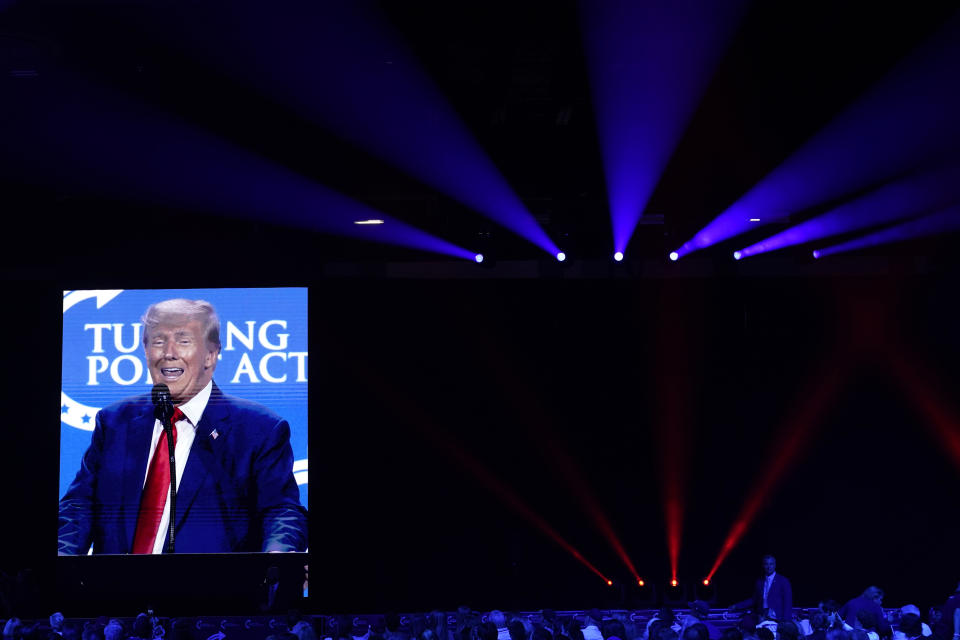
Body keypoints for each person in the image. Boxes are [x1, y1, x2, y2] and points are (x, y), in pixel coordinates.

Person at [58, 298, 307, 554]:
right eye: (158, 341)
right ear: (146, 351)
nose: (169, 352)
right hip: (114, 592)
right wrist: (60, 559)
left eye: (183, 340)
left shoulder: (258, 430)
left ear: (210, 355)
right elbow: (79, 506)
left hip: (211, 592)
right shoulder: (114, 423)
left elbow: (281, 511)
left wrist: (279, 557)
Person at [731, 555, 793, 623]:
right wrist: (737, 606)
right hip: (762, 617)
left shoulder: (783, 581)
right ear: (763, 565)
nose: (769, 567)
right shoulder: (759, 581)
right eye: (766, 564)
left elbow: (788, 602)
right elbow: (754, 599)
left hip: (777, 619)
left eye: (771, 564)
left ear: (775, 565)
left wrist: (786, 621)